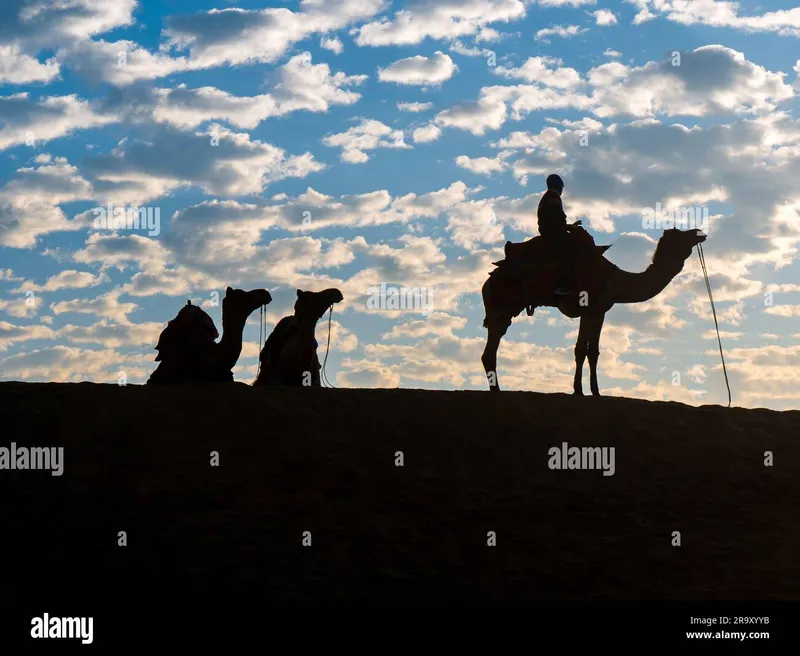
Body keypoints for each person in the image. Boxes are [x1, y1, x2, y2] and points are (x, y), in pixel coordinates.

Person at [537, 174, 583, 295]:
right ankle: (562, 284)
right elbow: (556, 219)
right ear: (559, 186)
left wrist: (569, 226)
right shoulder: (553, 197)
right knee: (571, 252)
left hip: (551, 231)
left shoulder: (548, 197)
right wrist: (568, 227)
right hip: (553, 234)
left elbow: (556, 220)